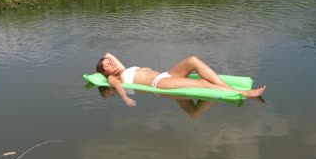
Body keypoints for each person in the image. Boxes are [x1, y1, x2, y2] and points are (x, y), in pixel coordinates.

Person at [96, 53, 266, 106]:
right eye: (107, 65)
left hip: (166, 74)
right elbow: (117, 86)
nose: (111, 63)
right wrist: (125, 98)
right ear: (105, 72)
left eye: (110, 63)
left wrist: (106, 61)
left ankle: (196, 109)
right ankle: (244, 93)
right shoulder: (112, 77)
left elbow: (108, 54)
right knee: (203, 84)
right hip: (160, 84)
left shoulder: (123, 69)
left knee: (193, 60)